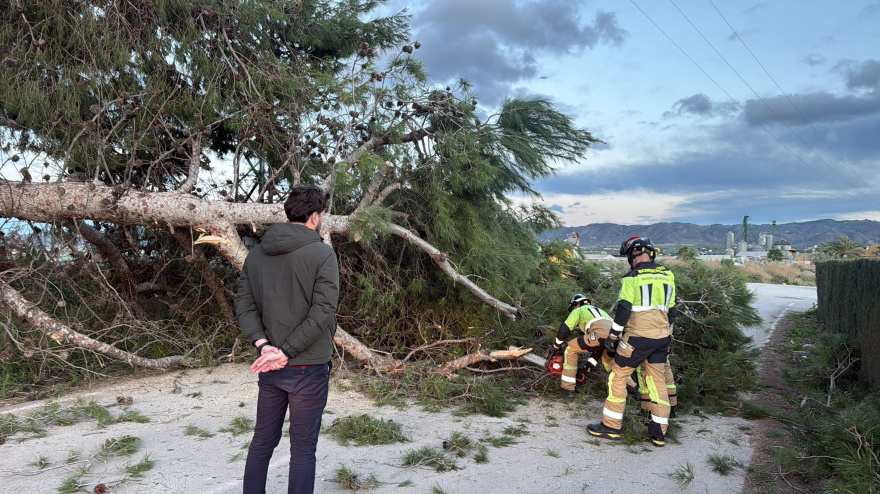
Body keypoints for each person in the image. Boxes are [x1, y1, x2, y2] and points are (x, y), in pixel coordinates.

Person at [235, 185, 340, 494]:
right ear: (316, 217)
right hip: (307, 366)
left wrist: (264, 346)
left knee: (262, 441)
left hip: (270, 365)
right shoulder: (322, 254)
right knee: (303, 449)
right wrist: (284, 351)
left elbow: (244, 304)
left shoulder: (256, 254)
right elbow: (323, 311)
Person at [588, 237, 676, 447]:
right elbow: (672, 311)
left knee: (617, 377)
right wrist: (663, 332)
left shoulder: (632, 277)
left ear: (632, 256)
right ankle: (659, 432)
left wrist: (613, 337)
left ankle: (611, 426)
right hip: (660, 339)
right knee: (657, 381)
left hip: (636, 339)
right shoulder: (668, 275)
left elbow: (623, 310)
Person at [547, 294, 614, 397]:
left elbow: (564, 328)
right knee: (612, 365)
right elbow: (598, 350)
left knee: (570, 348)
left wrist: (556, 346)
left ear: (577, 304)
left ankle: (567, 388)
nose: (573, 309)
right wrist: (586, 369)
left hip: (599, 334)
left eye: (573, 307)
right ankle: (633, 389)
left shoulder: (579, 310)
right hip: (616, 337)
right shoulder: (601, 312)